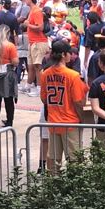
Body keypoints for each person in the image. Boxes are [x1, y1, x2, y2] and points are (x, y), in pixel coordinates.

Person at [38, 39, 88, 173]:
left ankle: (54, 189)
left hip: (53, 122)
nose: (71, 56)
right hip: (70, 122)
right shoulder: (73, 75)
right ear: (64, 55)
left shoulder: (45, 74)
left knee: (53, 161)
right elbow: (79, 101)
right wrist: (82, 117)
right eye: (69, 53)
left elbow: (44, 99)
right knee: (75, 160)